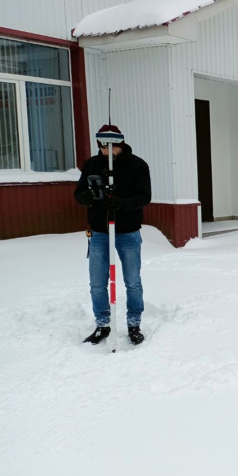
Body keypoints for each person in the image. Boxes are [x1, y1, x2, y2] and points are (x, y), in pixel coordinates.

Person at [74, 125, 151, 346]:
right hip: (99, 231)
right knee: (97, 283)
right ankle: (103, 324)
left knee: (132, 281)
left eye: (112, 146)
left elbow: (145, 196)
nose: (108, 151)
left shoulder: (137, 165)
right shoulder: (92, 165)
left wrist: (123, 204)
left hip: (127, 231)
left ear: (120, 144)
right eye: (104, 147)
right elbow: (78, 193)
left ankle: (134, 324)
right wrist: (87, 197)